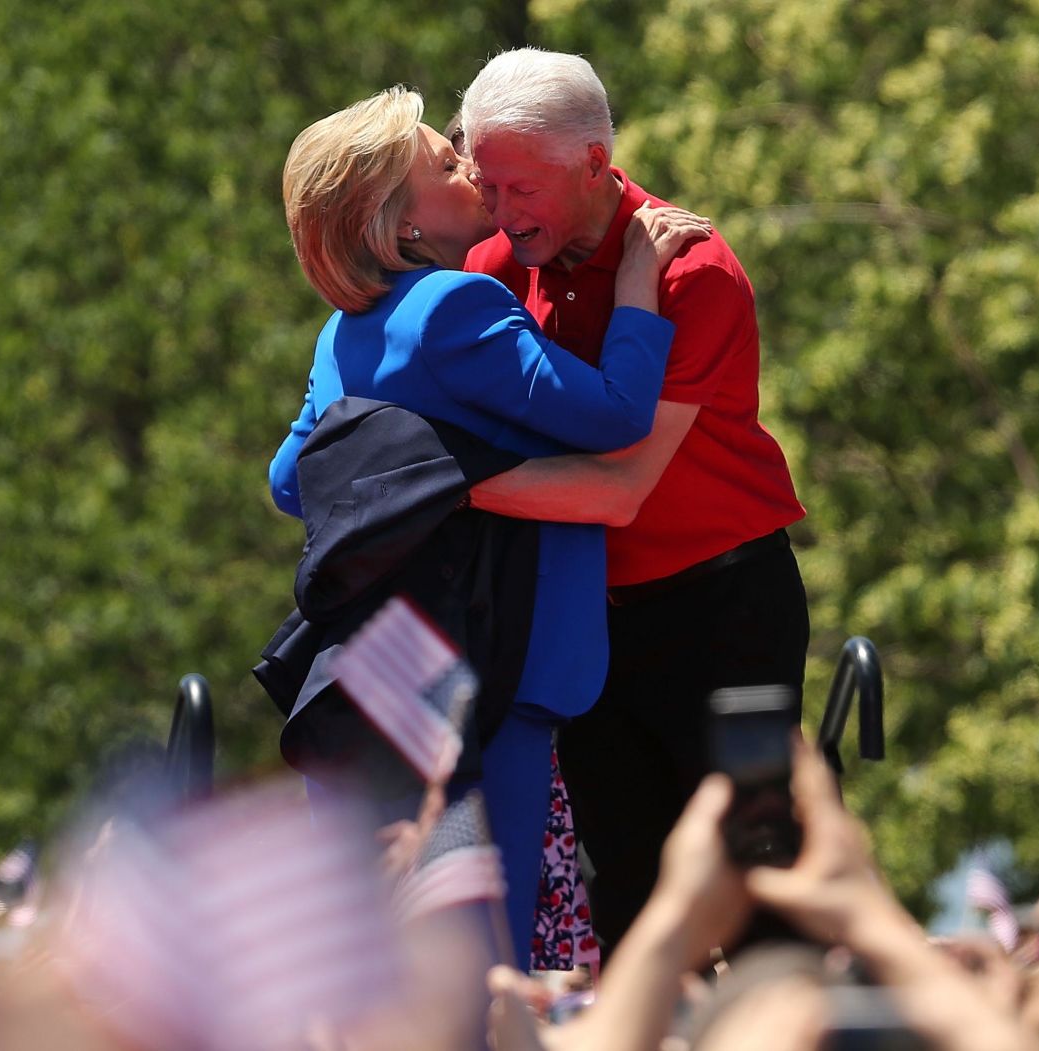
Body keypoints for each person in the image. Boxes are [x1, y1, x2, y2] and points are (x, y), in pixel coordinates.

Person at [265, 85, 710, 967]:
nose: (469, 167)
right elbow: (619, 414)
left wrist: (421, 471)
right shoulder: (452, 310)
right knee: (483, 950)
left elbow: (290, 481)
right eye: (444, 163)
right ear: (401, 226)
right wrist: (634, 282)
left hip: (396, 672)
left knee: (413, 950)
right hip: (500, 661)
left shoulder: (342, 334)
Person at [458, 47, 811, 958]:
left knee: (764, 876)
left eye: (520, 189)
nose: (500, 212)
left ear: (593, 162)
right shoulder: (496, 266)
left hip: (723, 608)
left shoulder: (695, 273)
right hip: (592, 618)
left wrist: (435, 485)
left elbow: (620, 491)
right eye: (485, 186)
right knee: (630, 891)